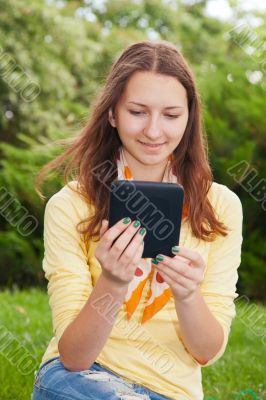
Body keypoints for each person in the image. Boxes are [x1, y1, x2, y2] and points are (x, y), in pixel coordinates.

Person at [32, 40, 243, 400]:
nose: (154, 131)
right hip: (82, 381)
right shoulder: (69, 205)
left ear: (190, 117)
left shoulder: (220, 206)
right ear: (112, 113)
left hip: (168, 391)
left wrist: (188, 293)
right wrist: (113, 282)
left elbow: (206, 352)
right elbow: (74, 357)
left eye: (172, 115)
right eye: (138, 111)